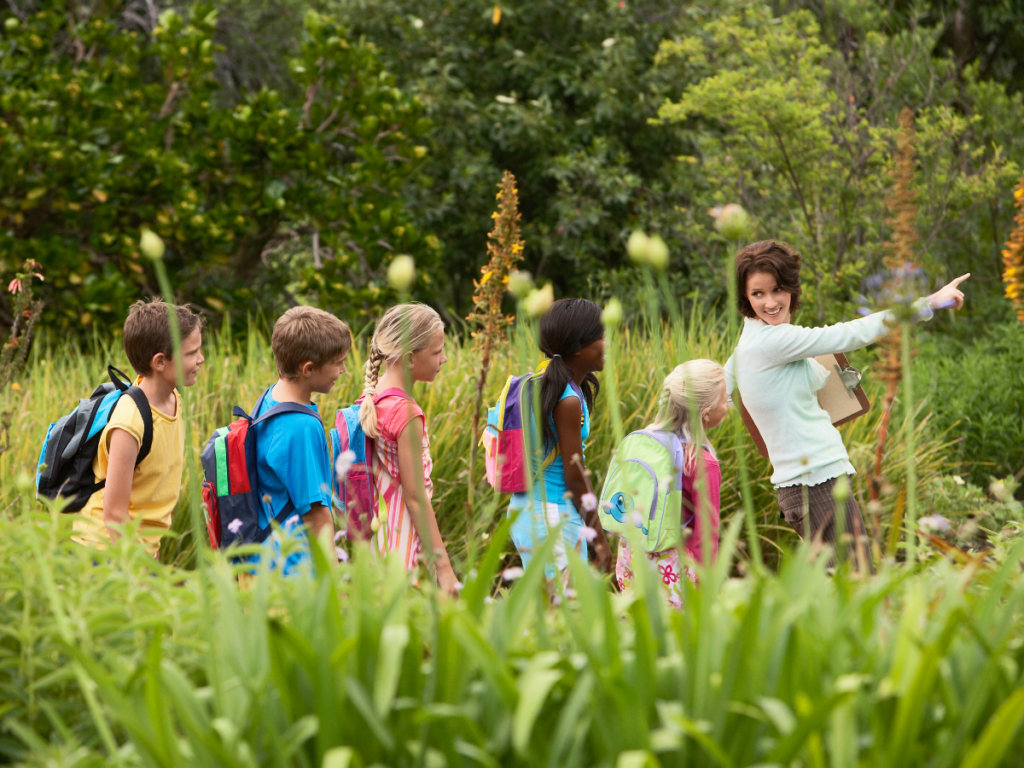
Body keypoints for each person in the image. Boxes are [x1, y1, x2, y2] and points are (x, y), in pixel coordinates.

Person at [725, 240, 969, 569]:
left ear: (792, 288)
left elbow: (719, 386)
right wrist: (929, 302)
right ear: (746, 297)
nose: (770, 302)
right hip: (815, 485)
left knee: (849, 595)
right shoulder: (772, 341)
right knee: (859, 587)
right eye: (758, 294)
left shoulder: (752, 339)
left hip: (814, 483)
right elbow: (850, 333)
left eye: (778, 289)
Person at [72, 299, 205, 556]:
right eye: (191, 353)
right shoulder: (129, 423)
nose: (200, 359)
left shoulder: (173, 398)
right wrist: (140, 569)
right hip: (105, 550)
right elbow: (114, 514)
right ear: (159, 362)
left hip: (139, 546)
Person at [508, 298, 613, 580]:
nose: (607, 343)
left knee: (548, 610)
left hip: (526, 509)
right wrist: (599, 540)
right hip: (551, 514)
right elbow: (575, 477)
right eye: (601, 336)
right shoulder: (566, 400)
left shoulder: (539, 383)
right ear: (579, 348)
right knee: (563, 614)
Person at [359, 303, 459, 594]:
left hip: (377, 540)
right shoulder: (406, 413)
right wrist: (445, 569)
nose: (445, 358)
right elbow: (415, 499)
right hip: (405, 545)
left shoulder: (372, 402)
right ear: (410, 358)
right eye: (437, 351)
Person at [615, 360, 728, 608]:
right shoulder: (702, 463)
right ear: (706, 413)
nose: (728, 406)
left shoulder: (646, 443)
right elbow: (705, 535)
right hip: (673, 567)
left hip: (633, 555)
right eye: (725, 400)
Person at [253, 306, 351, 576]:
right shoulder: (301, 426)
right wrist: (334, 586)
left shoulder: (270, 398)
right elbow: (316, 515)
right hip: (293, 570)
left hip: (262, 558)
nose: (343, 370)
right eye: (338, 362)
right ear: (308, 369)